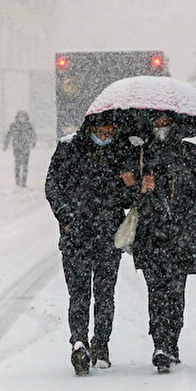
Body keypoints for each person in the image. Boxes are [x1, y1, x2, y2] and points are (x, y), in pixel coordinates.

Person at [122, 111, 196, 373]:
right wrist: (139, 188)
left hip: (181, 237)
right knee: (156, 290)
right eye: (156, 123)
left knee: (175, 292)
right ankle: (160, 344)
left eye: (165, 122)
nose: (161, 127)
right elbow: (127, 199)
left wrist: (194, 229)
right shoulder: (141, 155)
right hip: (151, 236)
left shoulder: (192, 155)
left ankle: (171, 341)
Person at [45, 110, 134, 376]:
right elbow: (52, 184)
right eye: (101, 132)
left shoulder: (121, 151)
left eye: (110, 133)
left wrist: (129, 185)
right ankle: (79, 342)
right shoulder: (69, 148)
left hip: (108, 234)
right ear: (90, 128)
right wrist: (67, 217)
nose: (106, 137)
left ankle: (101, 343)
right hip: (77, 236)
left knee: (105, 294)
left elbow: (128, 199)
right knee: (80, 293)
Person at [3, 110, 37, 187]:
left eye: (23, 117)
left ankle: (23, 181)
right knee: (18, 164)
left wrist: (33, 142)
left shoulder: (29, 126)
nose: (22, 119)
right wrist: (6, 144)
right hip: (17, 147)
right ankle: (18, 181)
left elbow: (33, 135)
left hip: (25, 147)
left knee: (25, 164)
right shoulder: (14, 125)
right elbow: (8, 135)